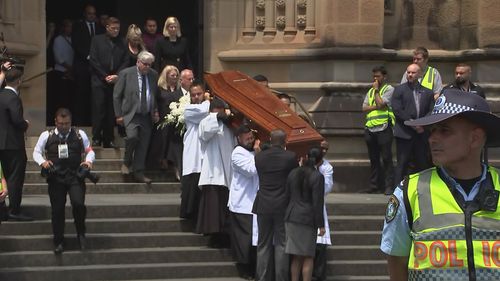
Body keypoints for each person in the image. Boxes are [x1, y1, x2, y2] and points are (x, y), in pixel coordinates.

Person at [381, 89, 500, 280]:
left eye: (445, 130)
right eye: (432, 130)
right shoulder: (409, 191)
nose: (432, 139)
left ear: (475, 138)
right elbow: (396, 261)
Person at [32, 108, 96, 254]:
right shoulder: (46, 135)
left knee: (78, 204)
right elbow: (36, 152)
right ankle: (59, 241)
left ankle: (81, 233)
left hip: (75, 177)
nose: (64, 126)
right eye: (61, 123)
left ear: (71, 122)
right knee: (57, 210)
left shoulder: (80, 135)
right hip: (56, 178)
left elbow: (90, 150)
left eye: (67, 123)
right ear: (55, 122)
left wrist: (88, 161)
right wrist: (43, 162)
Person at [253, 129, 298, 281]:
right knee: (281, 244)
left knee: (263, 244)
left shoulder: (259, 157)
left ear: (270, 140)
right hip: (282, 204)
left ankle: (262, 278)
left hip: (263, 203)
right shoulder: (290, 157)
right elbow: (294, 178)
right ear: (285, 141)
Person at [113, 51, 159, 184]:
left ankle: (139, 172)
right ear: (138, 62)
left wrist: (155, 110)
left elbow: (153, 94)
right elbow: (117, 95)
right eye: (145, 64)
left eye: (149, 65)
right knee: (132, 137)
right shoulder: (126, 74)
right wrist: (118, 115)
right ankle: (127, 162)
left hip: (146, 114)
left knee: (143, 144)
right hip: (131, 113)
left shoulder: (153, 75)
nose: (147, 67)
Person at [196, 98, 235, 247]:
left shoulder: (229, 126)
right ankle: (214, 235)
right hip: (213, 172)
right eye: (219, 110)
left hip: (228, 171)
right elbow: (205, 133)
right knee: (214, 209)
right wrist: (216, 117)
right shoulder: (206, 121)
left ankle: (225, 235)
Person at [285, 147, 326, 281]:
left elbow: (287, 195)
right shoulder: (317, 176)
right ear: (319, 161)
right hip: (307, 219)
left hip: (292, 216)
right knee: (308, 256)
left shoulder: (293, 173)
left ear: (306, 157)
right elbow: (317, 202)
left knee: (296, 256)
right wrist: (321, 225)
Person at [391, 63, 434, 189]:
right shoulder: (399, 90)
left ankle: (424, 189)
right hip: (405, 133)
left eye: (413, 72)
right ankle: (397, 190)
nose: (410, 75)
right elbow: (397, 110)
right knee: (402, 163)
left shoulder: (428, 92)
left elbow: (431, 110)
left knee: (422, 163)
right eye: (408, 72)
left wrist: (422, 124)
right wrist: (413, 124)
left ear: (419, 74)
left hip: (422, 134)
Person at [89, 17, 128, 148]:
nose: (116, 31)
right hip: (99, 80)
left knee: (111, 111)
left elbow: (125, 61)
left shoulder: (122, 42)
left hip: (115, 81)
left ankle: (109, 139)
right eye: (113, 28)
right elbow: (93, 60)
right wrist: (105, 76)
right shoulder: (97, 40)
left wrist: (117, 75)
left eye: (118, 28)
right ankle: (96, 137)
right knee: (99, 109)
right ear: (107, 27)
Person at [229, 125, 261, 279]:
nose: (251, 140)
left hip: (255, 203)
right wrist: (259, 154)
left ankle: (254, 268)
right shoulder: (237, 153)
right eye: (247, 138)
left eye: (252, 137)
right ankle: (244, 269)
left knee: (254, 239)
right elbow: (251, 170)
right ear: (239, 138)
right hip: (243, 203)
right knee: (244, 240)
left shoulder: (254, 152)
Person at [0, 67, 31, 221]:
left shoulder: (0, 95)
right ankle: (14, 210)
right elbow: (16, 119)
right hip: (12, 144)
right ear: (19, 81)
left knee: (3, 176)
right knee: (14, 178)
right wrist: (25, 124)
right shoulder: (13, 98)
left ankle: (3, 209)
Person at [362, 65, 395, 194]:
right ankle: (374, 185)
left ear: (384, 77)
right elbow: (364, 108)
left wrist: (376, 92)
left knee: (386, 158)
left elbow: (382, 104)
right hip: (370, 128)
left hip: (384, 128)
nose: (375, 79)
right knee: (374, 158)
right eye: (374, 76)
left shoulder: (389, 89)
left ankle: (388, 186)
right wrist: (376, 105)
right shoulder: (370, 91)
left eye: (378, 76)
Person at [179, 82, 209, 221]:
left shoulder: (206, 106)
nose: (196, 97)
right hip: (193, 150)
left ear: (204, 93)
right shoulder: (188, 109)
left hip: (205, 150)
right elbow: (203, 112)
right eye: (193, 95)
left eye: (199, 94)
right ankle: (189, 214)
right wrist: (208, 101)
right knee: (192, 182)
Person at [146, 65, 182, 174]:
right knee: (162, 139)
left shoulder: (179, 89)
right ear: (166, 76)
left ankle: (171, 161)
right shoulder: (159, 88)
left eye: (176, 75)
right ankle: (161, 160)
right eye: (172, 75)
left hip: (175, 119)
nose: (174, 78)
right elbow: (154, 101)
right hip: (162, 117)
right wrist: (155, 112)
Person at [71, 4, 104, 125]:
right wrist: (88, 56)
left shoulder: (100, 28)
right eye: (89, 13)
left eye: (93, 14)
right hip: (82, 65)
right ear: (85, 14)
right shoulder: (78, 26)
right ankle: (80, 122)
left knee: (95, 96)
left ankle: (93, 122)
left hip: (97, 68)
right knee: (81, 94)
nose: (92, 16)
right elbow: (76, 43)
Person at [312, 140, 334, 281]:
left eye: (326, 149)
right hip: (304, 208)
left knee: (320, 245)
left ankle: (319, 275)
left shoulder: (327, 167)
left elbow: (326, 188)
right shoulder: (304, 163)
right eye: (322, 148)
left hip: (317, 205)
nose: (324, 151)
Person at [48, 19, 75, 125]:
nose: (70, 29)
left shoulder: (73, 39)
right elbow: (58, 58)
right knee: (61, 99)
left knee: (70, 99)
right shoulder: (58, 40)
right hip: (61, 72)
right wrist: (69, 68)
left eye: (71, 27)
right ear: (63, 28)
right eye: (68, 26)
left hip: (72, 74)